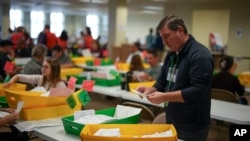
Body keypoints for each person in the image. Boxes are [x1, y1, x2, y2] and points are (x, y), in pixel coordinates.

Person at [137, 15, 214, 141]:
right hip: (173, 118)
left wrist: (164, 97)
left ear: (180, 30)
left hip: (192, 124)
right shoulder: (172, 53)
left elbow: (198, 91)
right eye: (162, 38)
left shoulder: (200, 55)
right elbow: (163, 80)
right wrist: (151, 89)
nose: (164, 42)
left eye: (166, 37)